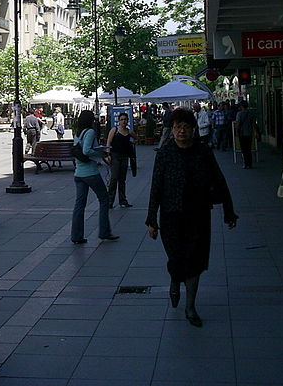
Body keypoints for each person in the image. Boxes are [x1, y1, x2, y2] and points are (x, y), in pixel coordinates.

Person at [146, 107, 238, 327]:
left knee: (195, 261)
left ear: (193, 129)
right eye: (178, 127)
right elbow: (156, 187)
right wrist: (151, 219)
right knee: (177, 257)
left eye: (186, 127)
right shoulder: (165, 153)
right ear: (173, 129)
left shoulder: (203, 151)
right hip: (171, 215)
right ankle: (175, 281)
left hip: (198, 215)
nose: (181, 131)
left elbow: (219, 180)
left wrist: (229, 211)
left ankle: (190, 307)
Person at [71, 110, 119, 244]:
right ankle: (104, 232)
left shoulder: (78, 132)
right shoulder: (90, 132)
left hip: (78, 173)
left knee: (79, 205)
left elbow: (79, 149)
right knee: (104, 199)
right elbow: (86, 151)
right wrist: (102, 152)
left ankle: (76, 236)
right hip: (90, 173)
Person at [106, 112, 135, 208]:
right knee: (114, 178)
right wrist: (108, 154)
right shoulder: (114, 130)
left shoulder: (129, 132)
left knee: (122, 179)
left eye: (125, 119)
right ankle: (110, 201)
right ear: (119, 121)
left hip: (125, 156)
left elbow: (136, 138)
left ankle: (123, 200)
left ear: (127, 121)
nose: (123, 121)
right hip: (115, 156)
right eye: (122, 119)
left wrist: (132, 142)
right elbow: (109, 142)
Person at [234, 101, 259, 168]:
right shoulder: (251, 113)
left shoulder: (239, 114)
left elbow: (238, 123)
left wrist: (236, 131)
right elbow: (254, 124)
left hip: (242, 133)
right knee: (249, 148)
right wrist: (256, 132)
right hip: (249, 133)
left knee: (243, 149)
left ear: (241, 106)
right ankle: (250, 163)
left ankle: (245, 163)